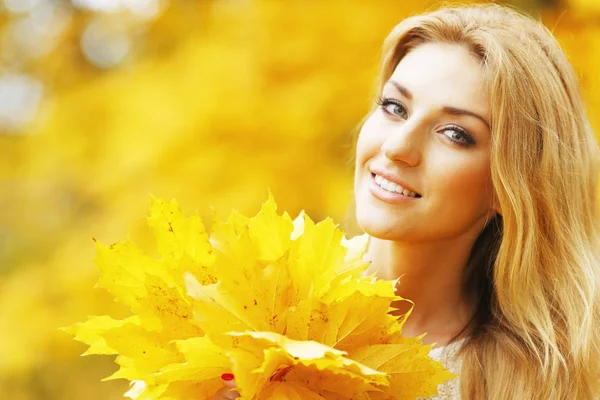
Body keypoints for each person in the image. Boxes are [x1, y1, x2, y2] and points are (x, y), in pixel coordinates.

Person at [212, 3, 600, 399]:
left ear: (510, 186)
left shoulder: (549, 381)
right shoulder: (245, 313)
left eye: (454, 133)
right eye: (394, 107)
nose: (398, 146)